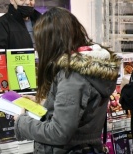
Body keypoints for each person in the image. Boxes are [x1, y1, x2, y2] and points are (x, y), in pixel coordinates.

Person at [13, 7, 121, 154]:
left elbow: (59, 132)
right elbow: (80, 109)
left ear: (52, 42)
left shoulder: (72, 76)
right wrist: (46, 102)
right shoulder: (90, 66)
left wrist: (22, 123)